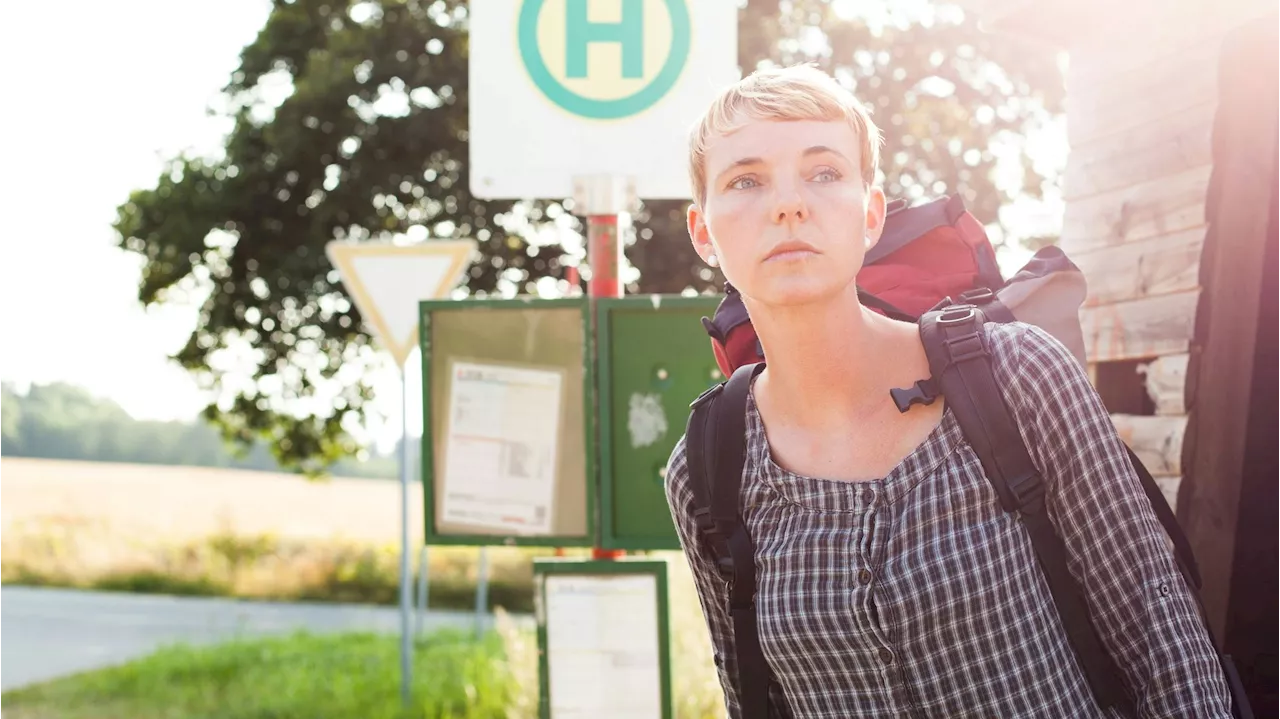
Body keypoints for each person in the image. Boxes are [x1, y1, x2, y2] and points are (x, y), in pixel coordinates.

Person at [663, 63, 1234, 718]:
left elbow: (1161, 637)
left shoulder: (1018, 376)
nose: (788, 204)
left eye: (823, 172)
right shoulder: (709, 468)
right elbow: (750, 698)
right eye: (746, 180)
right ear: (703, 230)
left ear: (870, 214)